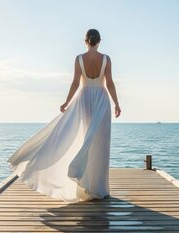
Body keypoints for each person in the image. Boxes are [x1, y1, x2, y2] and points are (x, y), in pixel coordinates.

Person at [8, 29, 121, 202]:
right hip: (101, 99)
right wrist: (116, 103)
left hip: (84, 99)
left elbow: (76, 82)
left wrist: (67, 102)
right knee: (99, 143)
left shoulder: (79, 59)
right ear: (100, 41)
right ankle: (99, 189)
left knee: (85, 139)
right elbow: (110, 82)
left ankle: (85, 186)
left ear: (85, 41)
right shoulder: (106, 59)